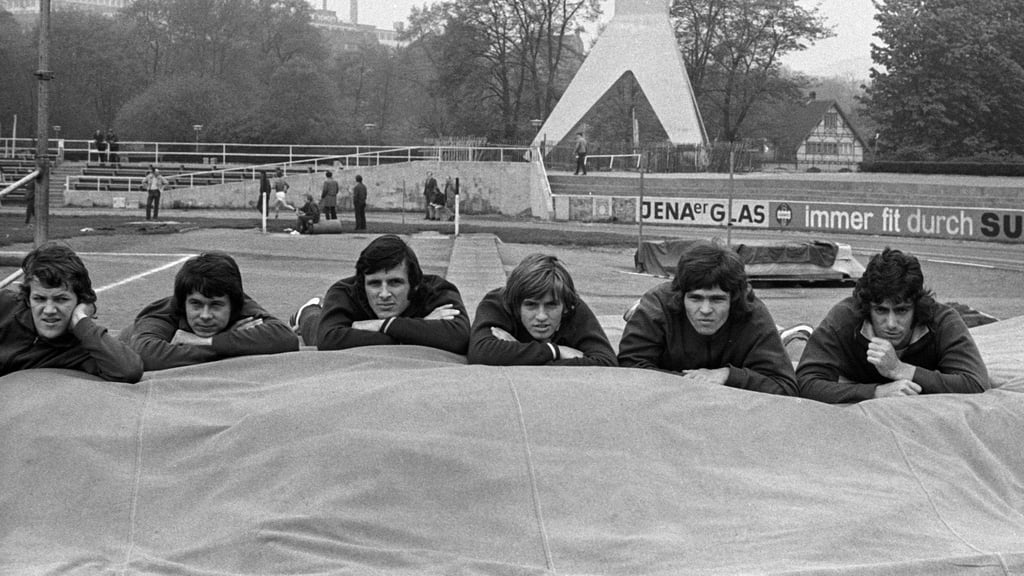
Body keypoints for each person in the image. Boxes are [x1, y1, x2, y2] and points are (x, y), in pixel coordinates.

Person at [796, 247, 989, 403]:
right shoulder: (846, 317)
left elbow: (976, 383)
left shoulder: (942, 321)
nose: (891, 324)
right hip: (846, 374)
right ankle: (797, 334)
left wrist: (899, 370)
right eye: (880, 310)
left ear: (917, 307)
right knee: (796, 347)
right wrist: (876, 392)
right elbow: (805, 382)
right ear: (866, 308)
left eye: (901, 311)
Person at [617, 241, 797, 396]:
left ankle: (785, 337)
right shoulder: (658, 305)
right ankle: (636, 314)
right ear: (680, 296)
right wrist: (693, 381)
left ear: (734, 299)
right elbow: (628, 369)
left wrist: (728, 375)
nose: (705, 310)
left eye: (717, 299)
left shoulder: (753, 312)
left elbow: (785, 386)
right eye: (695, 298)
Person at [119, 251, 299, 371]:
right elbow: (145, 354)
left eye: (215, 305)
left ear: (234, 305)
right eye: (196, 304)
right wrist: (228, 344)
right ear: (183, 303)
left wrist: (200, 341)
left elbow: (285, 338)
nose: (205, 315)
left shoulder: (241, 304)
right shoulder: (164, 313)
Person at [291, 234, 470, 353]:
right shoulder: (344, 292)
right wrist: (418, 329)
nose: (384, 294)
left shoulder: (437, 291)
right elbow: (328, 340)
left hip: (364, 330)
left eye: (395, 283)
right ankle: (308, 309)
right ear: (362, 285)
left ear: (415, 284)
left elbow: (460, 337)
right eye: (375, 284)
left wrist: (380, 325)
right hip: (321, 324)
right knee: (314, 329)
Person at [0, 243, 143, 383]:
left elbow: (129, 370)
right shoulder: (5, 306)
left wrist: (81, 320)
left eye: (61, 299)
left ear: (80, 301)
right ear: (28, 299)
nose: (49, 310)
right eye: (39, 299)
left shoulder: (82, 346)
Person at [468, 254, 616, 366]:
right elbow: (480, 352)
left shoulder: (573, 307)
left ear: (565, 307)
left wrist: (518, 352)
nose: (541, 316)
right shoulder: (498, 303)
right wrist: (556, 351)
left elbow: (606, 363)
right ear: (515, 305)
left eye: (551, 305)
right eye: (531, 305)